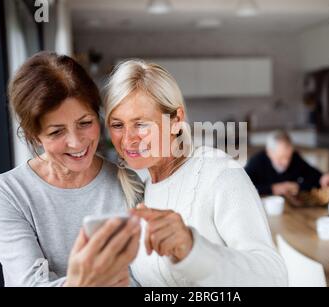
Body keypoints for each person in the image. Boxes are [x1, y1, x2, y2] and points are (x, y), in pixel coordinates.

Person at [104, 59, 287, 286]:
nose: (128, 139)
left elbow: (274, 278)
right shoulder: (138, 185)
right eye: (117, 125)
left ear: (176, 121)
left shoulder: (219, 174)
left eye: (141, 124)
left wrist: (193, 248)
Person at [0, 52, 144, 286]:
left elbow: (146, 277)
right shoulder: (7, 193)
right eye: (57, 131)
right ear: (34, 136)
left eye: (85, 123)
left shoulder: (130, 183)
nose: (77, 143)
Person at [245, 130, 322, 197]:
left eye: (288, 157)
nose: (286, 162)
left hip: (291, 208)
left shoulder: (295, 158)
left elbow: (316, 178)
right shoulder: (257, 161)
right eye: (281, 158)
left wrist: (298, 186)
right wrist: (272, 189)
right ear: (269, 152)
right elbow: (241, 185)